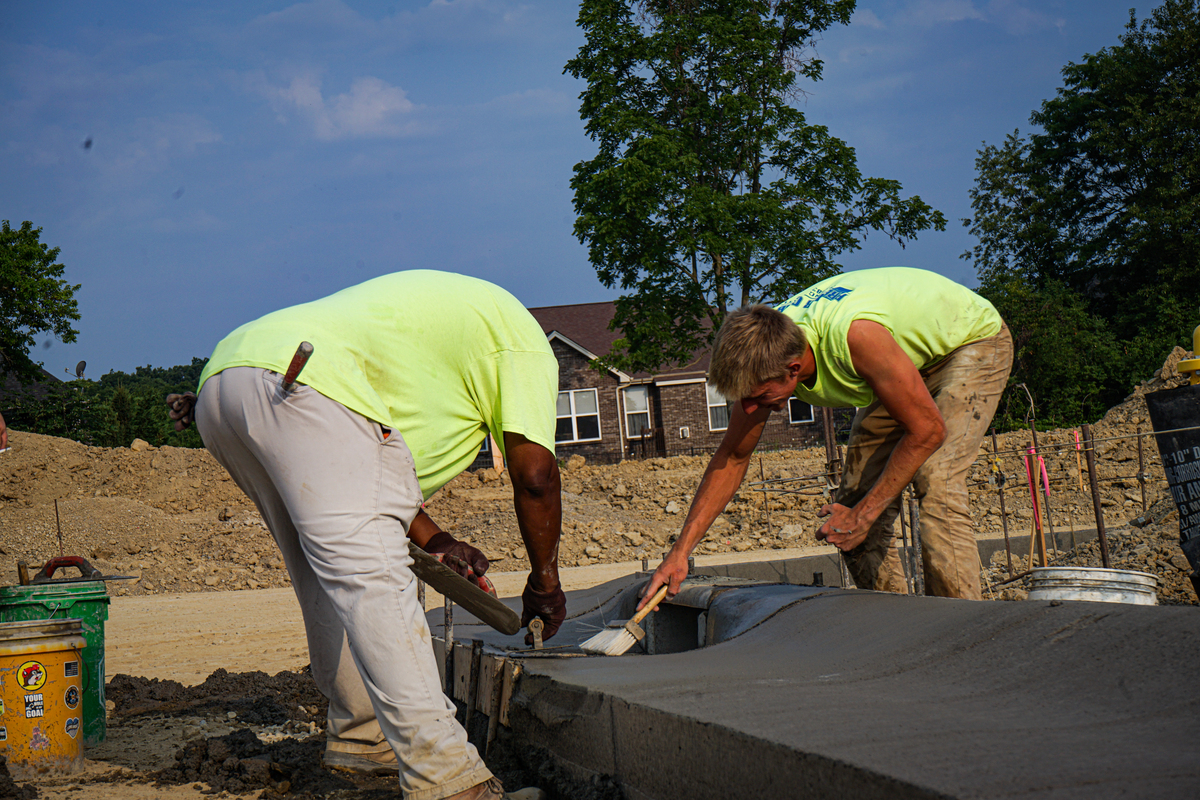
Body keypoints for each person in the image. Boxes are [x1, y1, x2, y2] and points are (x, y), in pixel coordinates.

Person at [169, 270, 562, 800]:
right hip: (303, 382)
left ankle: (363, 736)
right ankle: (450, 780)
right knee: (375, 585)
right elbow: (536, 478)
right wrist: (544, 581)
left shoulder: (435, 346)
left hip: (224, 384)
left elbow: (363, 480)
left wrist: (436, 539)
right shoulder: (523, 349)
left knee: (323, 574)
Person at [641, 267, 1012, 605]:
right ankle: (897, 624)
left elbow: (927, 430)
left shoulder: (856, 338)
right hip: (900, 365)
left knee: (937, 480)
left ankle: (960, 626)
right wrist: (679, 553)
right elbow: (733, 457)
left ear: (793, 369)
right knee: (850, 505)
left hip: (969, 341)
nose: (750, 411)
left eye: (758, 398)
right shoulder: (760, 356)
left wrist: (865, 516)